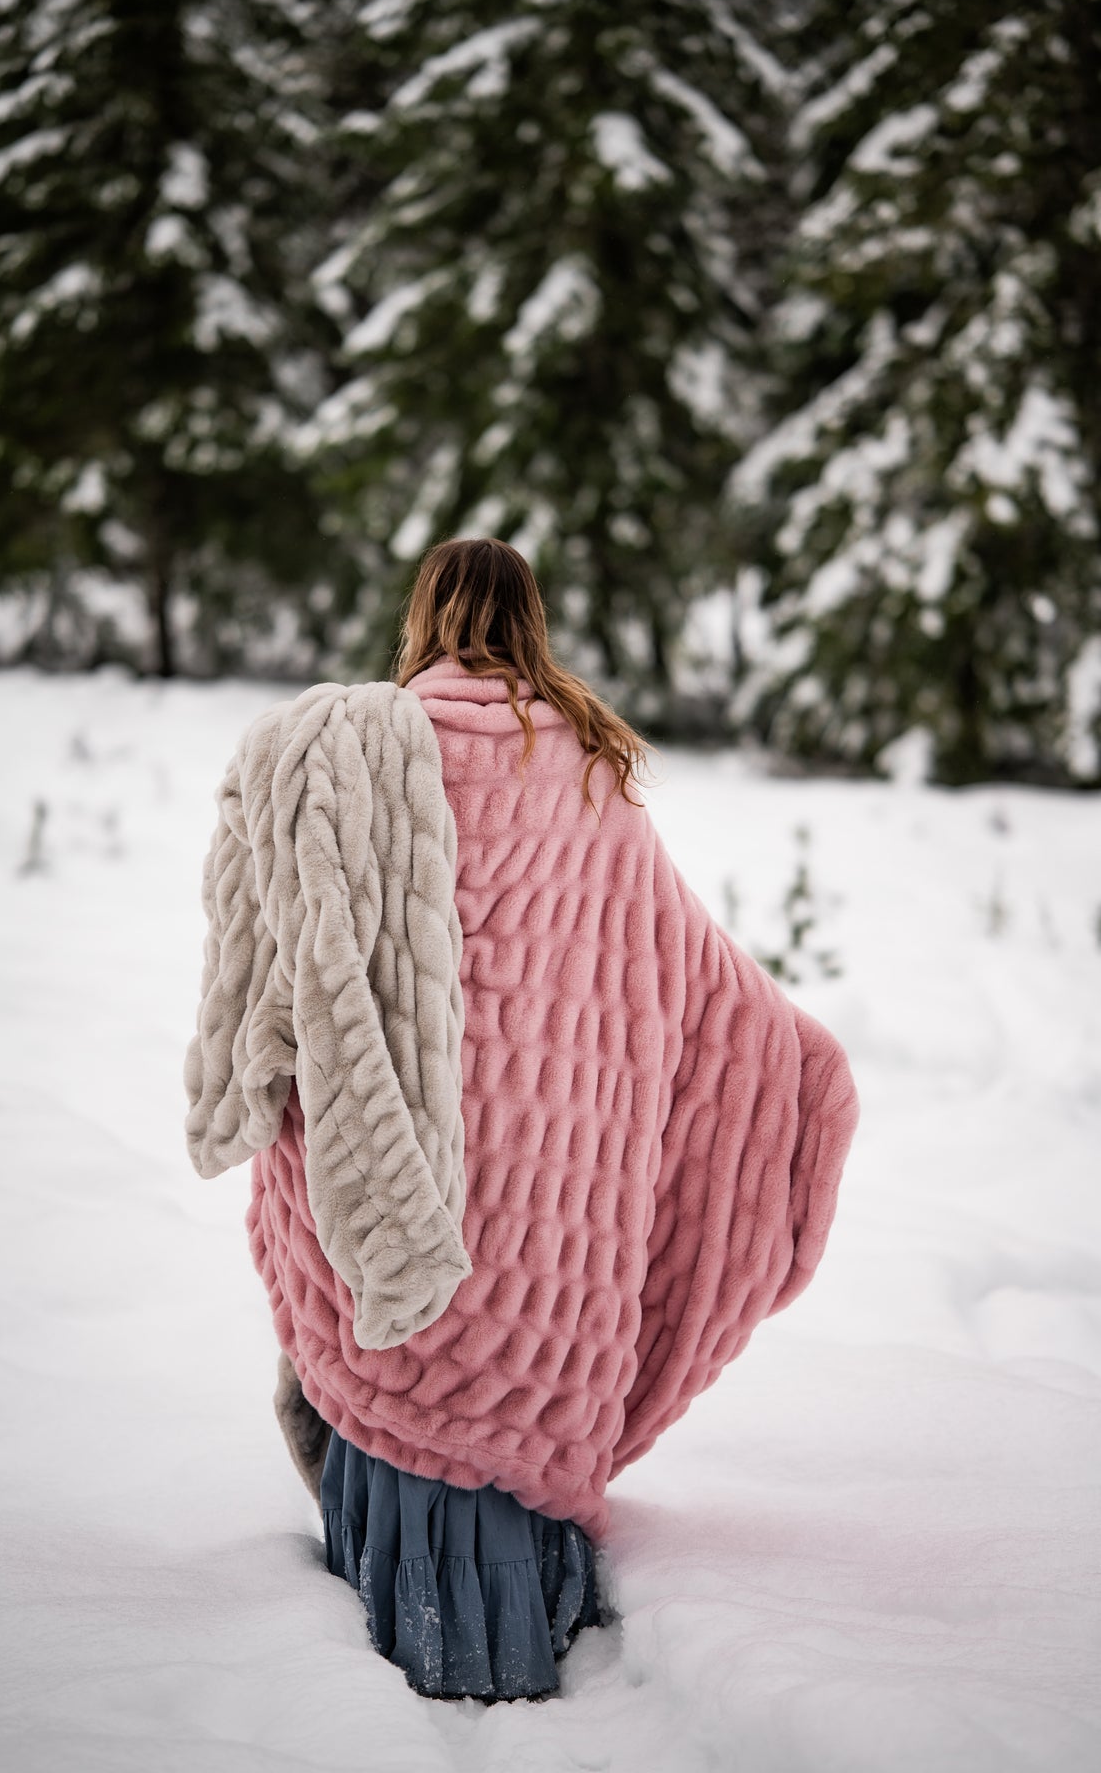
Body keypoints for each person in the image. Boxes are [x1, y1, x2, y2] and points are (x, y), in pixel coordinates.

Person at [242, 535, 861, 1703]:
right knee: (512, 1386)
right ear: (531, 621)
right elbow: (694, 976)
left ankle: (387, 1644)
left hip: (403, 1174)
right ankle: (529, 1631)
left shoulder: (365, 754)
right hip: (548, 1204)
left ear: (423, 613)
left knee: (404, 1361)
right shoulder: (589, 771)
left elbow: (298, 973)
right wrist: (798, 1068)